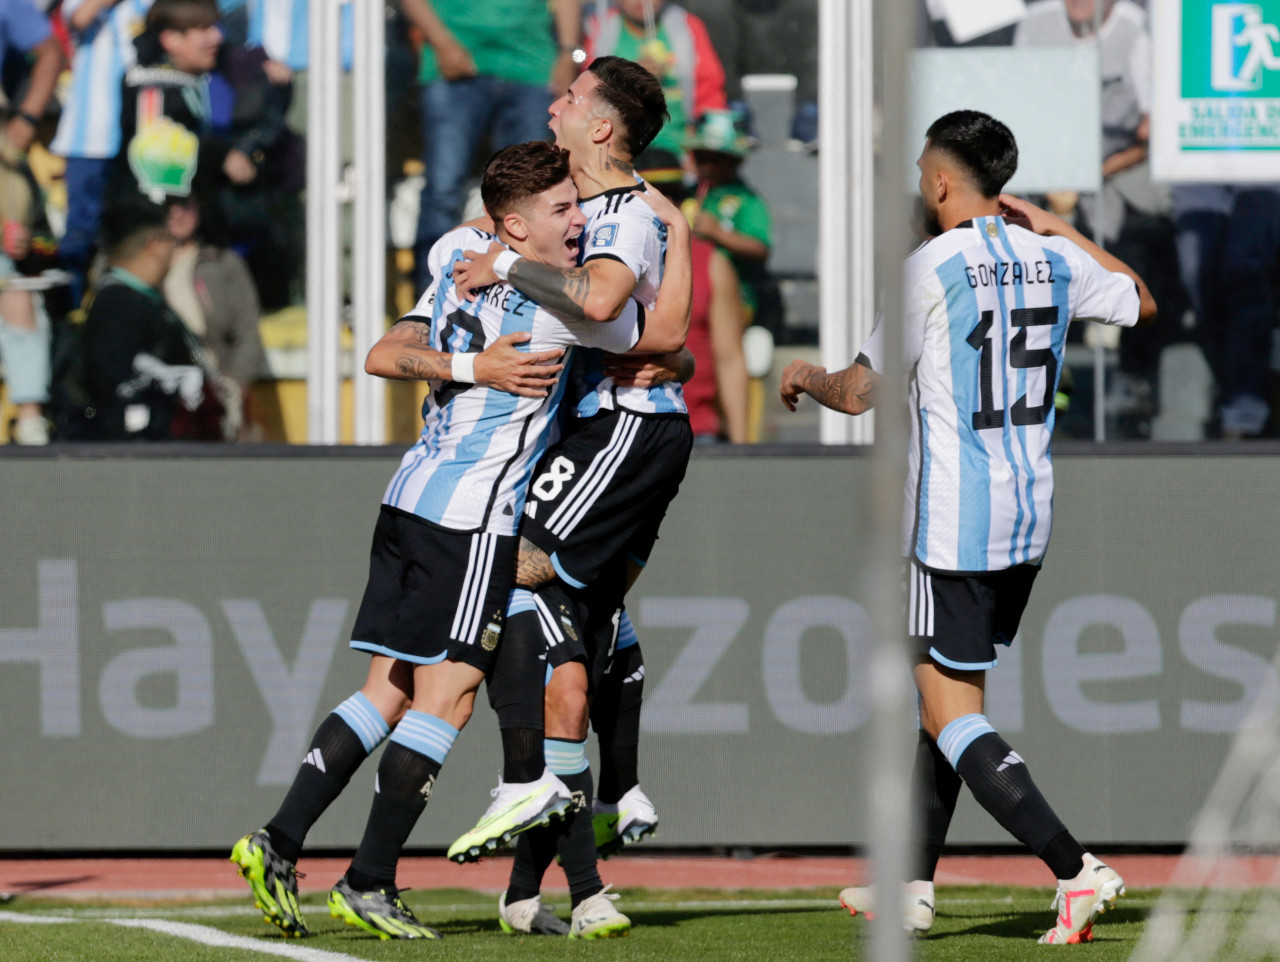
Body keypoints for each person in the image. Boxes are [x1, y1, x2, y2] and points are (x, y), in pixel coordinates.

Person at [229, 138, 691, 941]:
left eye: (577, 203)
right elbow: (661, 344)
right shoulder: (567, 308)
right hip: (472, 516)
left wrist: (469, 363)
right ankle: (370, 879)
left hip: (408, 497)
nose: (579, 219)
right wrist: (671, 243)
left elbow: (384, 355)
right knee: (450, 696)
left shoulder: (454, 251)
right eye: (560, 208)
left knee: (389, 690)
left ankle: (276, 840)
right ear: (514, 224)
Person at [780, 110, 1157, 943]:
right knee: (944, 701)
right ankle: (910, 884)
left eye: (923, 172)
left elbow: (858, 392)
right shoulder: (1054, 256)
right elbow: (1140, 296)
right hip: (1027, 515)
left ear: (943, 181)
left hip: (950, 521)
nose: (921, 184)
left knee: (950, 712)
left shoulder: (929, 267)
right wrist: (1051, 222)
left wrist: (804, 373)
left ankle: (1074, 868)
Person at [450, 54, 692, 938]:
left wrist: (506, 269)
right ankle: (552, 878)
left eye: (572, 96)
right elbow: (664, 331)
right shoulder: (595, 206)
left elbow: (604, 302)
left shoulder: (630, 215)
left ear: (600, 127)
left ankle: (539, 791)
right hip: (613, 429)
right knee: (587, 636)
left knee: (513, 574)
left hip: (619, 431)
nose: (555, 103)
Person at [401, 0, 584, 291]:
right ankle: (430, 304)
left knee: (534, 193)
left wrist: (567, 53)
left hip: (533, 68)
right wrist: (441, 41)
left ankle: (530, 296)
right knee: (443, 191)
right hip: (454, 64)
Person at [80, 195, 225, 440]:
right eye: (171, 241)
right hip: (150, 462)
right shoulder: (121, 308)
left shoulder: (142, 302)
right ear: (155, 246)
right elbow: (121, 397)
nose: (173, 249)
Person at [51, 0, 150, 304]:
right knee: (80, 234)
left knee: (132, 231)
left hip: (140, 135)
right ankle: (73, 310)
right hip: (89, 135)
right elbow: (79, 18)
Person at [162, 194, 267, 438]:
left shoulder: (223, 263)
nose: (176, 213)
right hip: (161, 393)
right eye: (168, 205)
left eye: (185, 205)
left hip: (213, 389)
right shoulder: (138, 265)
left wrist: (234, 385)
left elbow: (248, 330)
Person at [583, 0, 727, 166]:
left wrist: (704, 154)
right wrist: (632, 76)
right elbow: (588, 91)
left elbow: (711, 91)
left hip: (681, 152)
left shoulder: (687, 26)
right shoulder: (600, 29)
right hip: (621, 154)